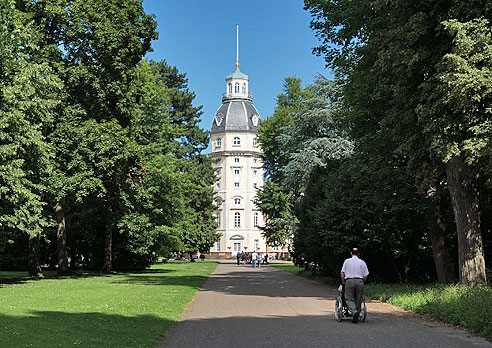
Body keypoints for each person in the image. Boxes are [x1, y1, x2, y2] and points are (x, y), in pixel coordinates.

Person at [340, 248, 369, 323]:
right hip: (359, 281)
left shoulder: (347, 261)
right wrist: (362, 281)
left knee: (348, 298)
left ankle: (354, 311)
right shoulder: (362, 262)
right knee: (358, 298)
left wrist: (343, 282)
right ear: (358, 253)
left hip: (349, 281)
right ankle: (357, 313)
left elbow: (342, 273)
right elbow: (366, 275)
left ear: (351, 253)